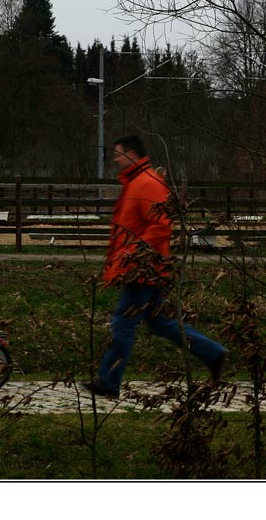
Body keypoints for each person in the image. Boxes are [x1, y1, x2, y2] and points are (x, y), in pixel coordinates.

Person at [83, 134, 228, 398]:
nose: (114, 159)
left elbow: (160, 226)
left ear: (131, 154)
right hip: (145, 268)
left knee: (123, 324)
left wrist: (134, 257)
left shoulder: (146, 184)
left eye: (117, 153)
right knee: (160, 323)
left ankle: (108, 381)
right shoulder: (137, 183)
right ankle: (213, 353)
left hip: (143, 271)